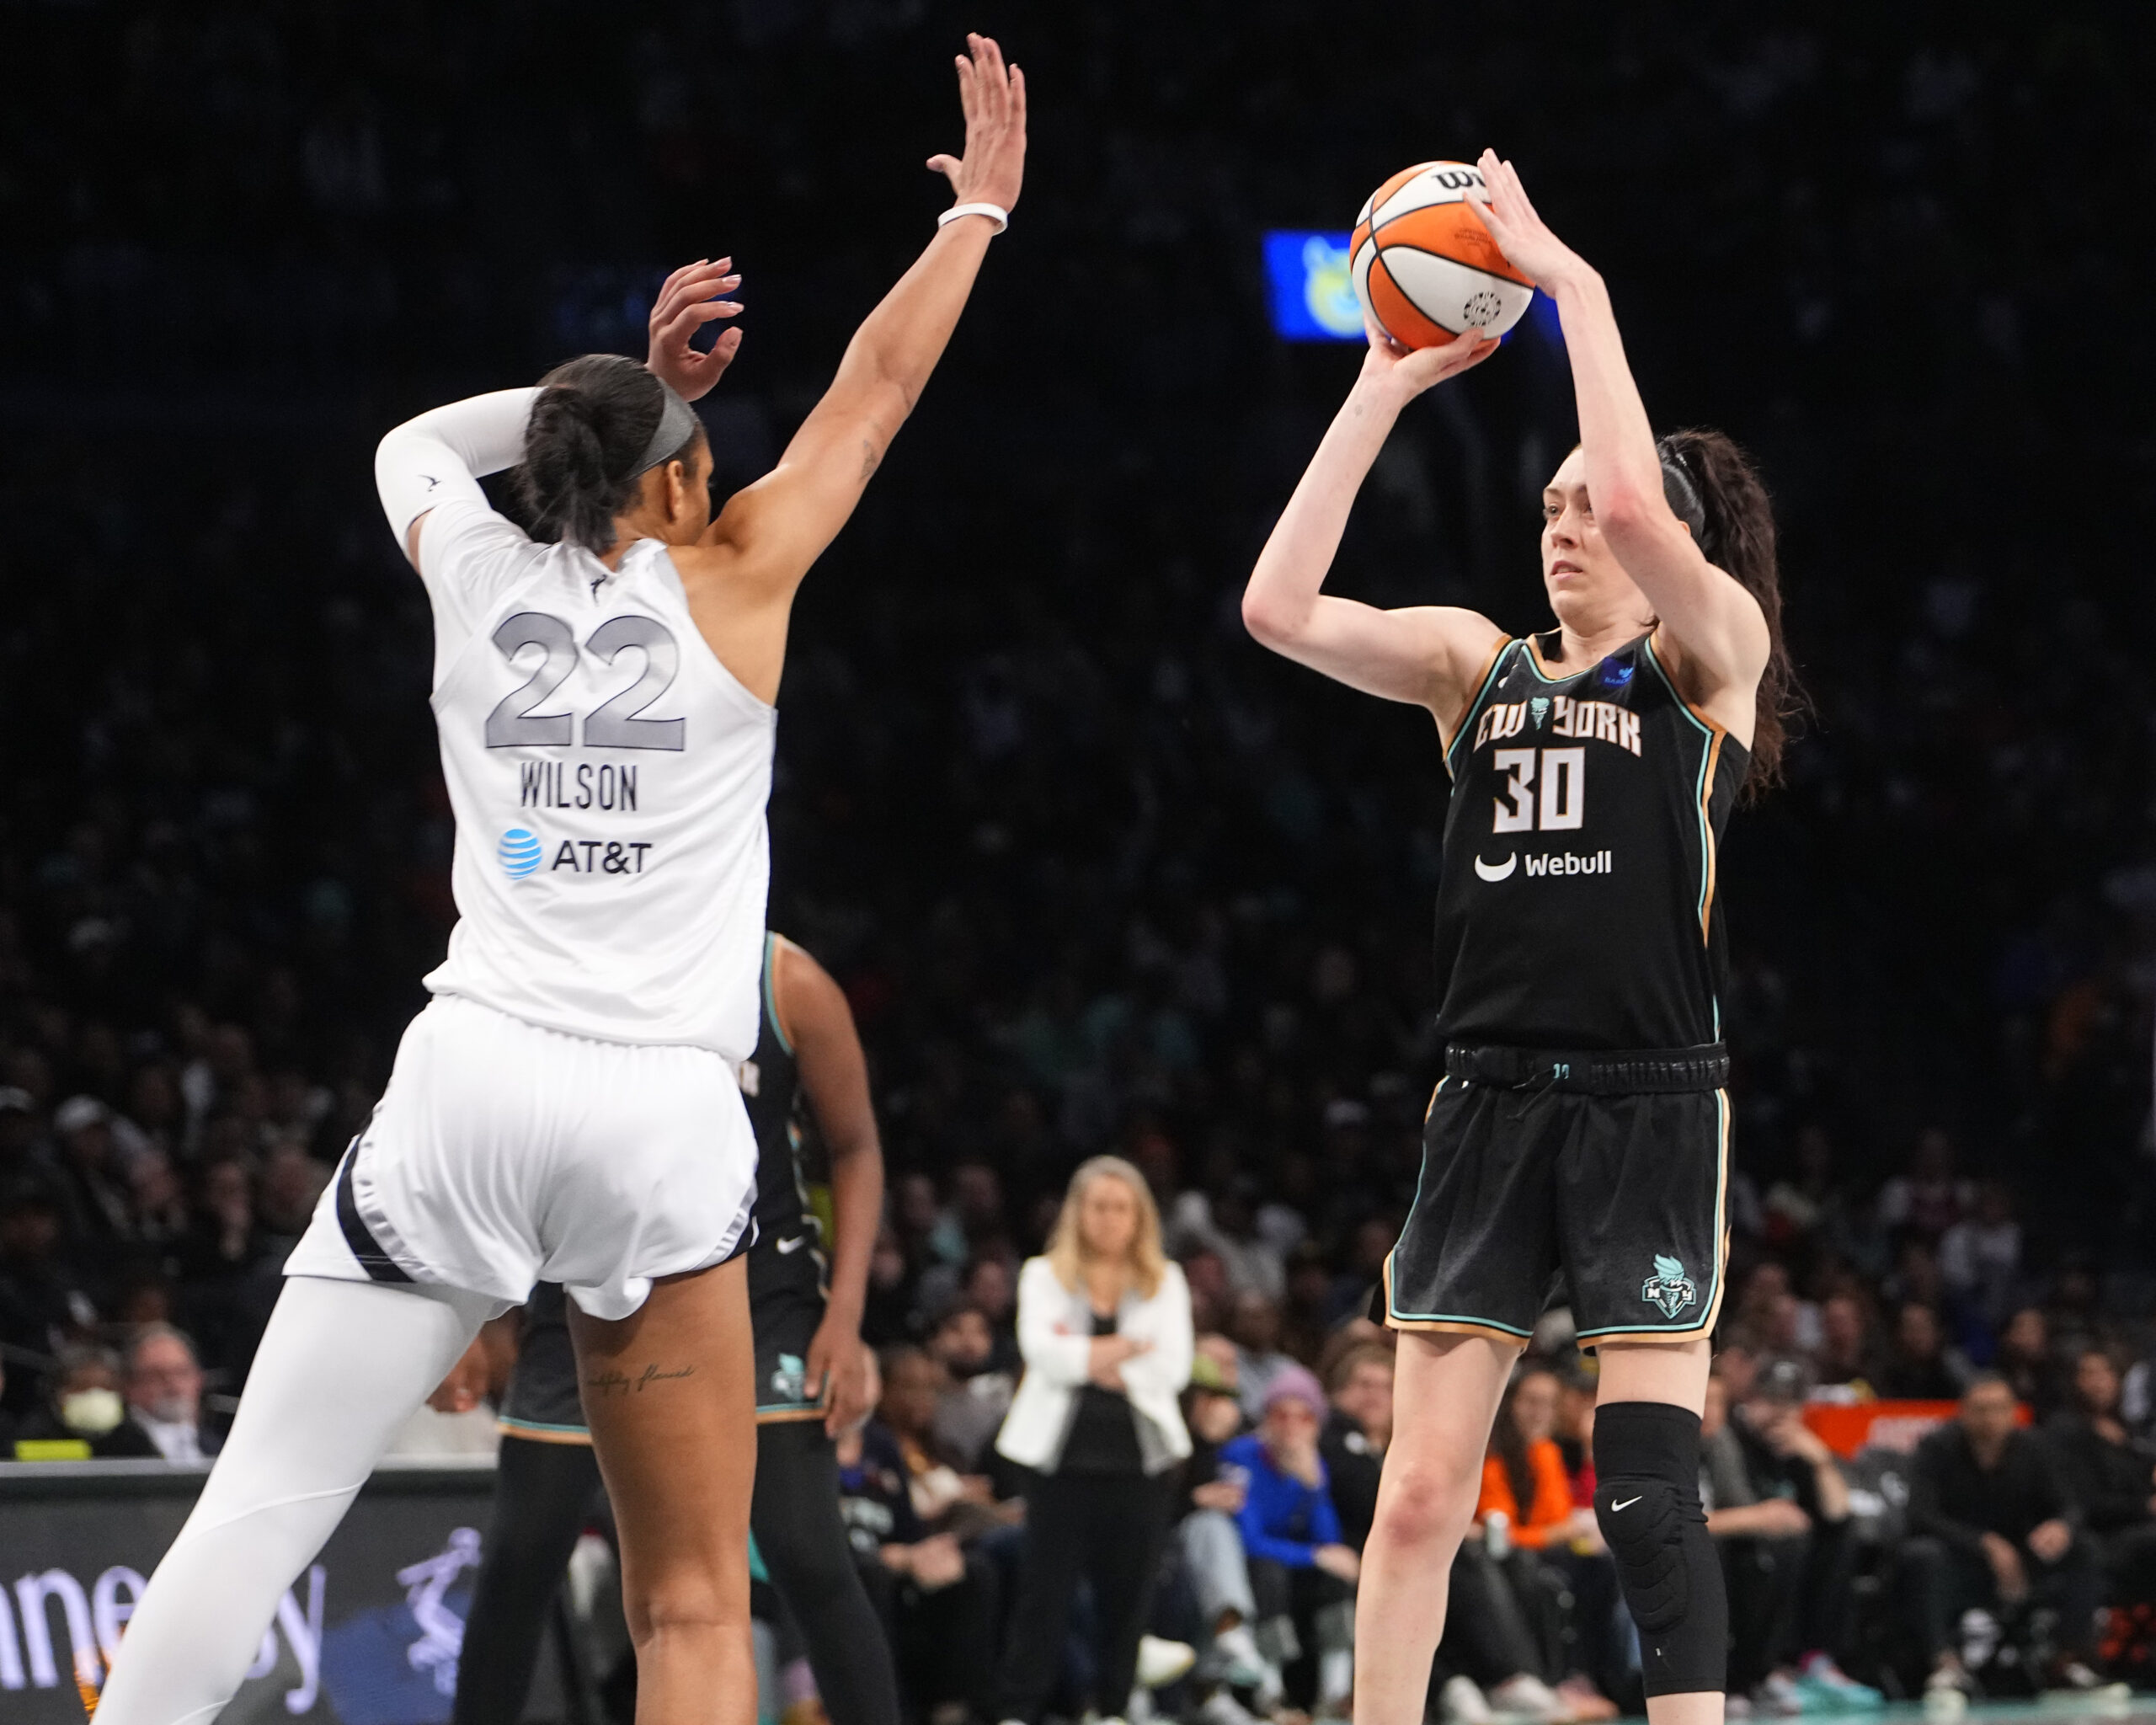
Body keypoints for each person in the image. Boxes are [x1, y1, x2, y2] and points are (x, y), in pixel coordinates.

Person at [92, 38, 1027, 1722]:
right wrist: (971, 215)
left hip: (478, 1077)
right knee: (685, 1608)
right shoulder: (739, 585)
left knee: (251, 1518)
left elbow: (408, 441)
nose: (730, 456)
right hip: (664, 1121)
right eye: (702, 440)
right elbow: (873, 393)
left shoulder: (470, 563)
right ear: (672, 480)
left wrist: (599, 397)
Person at [1241, 149, 1792, 1725]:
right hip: (1487, 1098)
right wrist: (1381, 382)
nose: (1564, 526)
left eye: (1587, 510)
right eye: (1544, 506)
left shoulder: (1711, 662)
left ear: (1664, 547)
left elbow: (1634, 488)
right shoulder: (1471, 666)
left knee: (1641, 1495)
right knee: (1418, 1498)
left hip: (1651, 1097)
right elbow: (1277, 607)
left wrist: (1578, 286)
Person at [452, 932, 896, 1725]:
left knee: (805, 1551)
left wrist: (847, 1317)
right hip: (586, 1286)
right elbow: (494, 1141)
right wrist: (471, 1313)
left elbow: (856, 1145)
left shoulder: (785, 980)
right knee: (521, 1556)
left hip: (761, 1298)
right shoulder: (570, 960)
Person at [994, 1156, 1194, 1725]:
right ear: (1077, 1213)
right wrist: (1127, 1348)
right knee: (1044, 1594)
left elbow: (1173, 1369)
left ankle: (1112, 1709)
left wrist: (1084, 1356)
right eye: (1099, 1207)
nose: (1109, 1219)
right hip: (1058, 1457)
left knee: (1128, 1594)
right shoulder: (1042, 1274)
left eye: (1121, 1208)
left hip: (1140, 1458)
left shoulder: (1166, 1280)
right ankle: (1018, 1710)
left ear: (1139, 1218)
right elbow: (1042, 1354)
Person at [1902, 1373, 2110, 1701]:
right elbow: (1920, 1516)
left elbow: (2070, 1505)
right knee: (1922, 1555)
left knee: (2083, 1549)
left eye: (1999, 1408)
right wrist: (1985, 1544)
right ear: (1963, 1412)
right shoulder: (1936, 1448)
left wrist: (2060, 1526)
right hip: (1960, 1563)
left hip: (2022, 1562)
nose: (1990, 1418)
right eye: (1981, 1409)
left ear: (2013, 1412)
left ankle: (2068, 1661)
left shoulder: (2034, 1448)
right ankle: (1945, 1665)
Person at [1698, 1363, 1876, 1712]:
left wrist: (1820, 1460)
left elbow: (1839, 1513)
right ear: (1749, 1400)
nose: (1780, 1413)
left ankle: (1814, 1659)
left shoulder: (1796, 1447)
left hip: (1772, 1547)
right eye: (1771, 1401)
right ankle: (1769, 1669)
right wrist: (1761, 1519)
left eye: (1790, 1403)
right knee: (1780, 1545)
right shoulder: (1727, 1439)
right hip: (1737, 1548)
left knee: (1839, 1536)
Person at [1223, 1366, 1360, 1716]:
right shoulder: (1241, 1457)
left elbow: (1328, 1541)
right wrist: (1313, 1556)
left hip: (1295, 1573)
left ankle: (1336, 1691)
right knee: (1271, 1572)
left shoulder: (1312, 1464)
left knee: (1337, 1573)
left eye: (1304, 1417)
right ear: (1266, 1418)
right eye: (1281, 1415)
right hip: (1249, 1572)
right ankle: (1270, 1694)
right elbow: (1249, 1541)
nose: (1292, 1426)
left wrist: (1313, 1486)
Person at [2044, 1348, 2156, 1605]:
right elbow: (2081, 1501)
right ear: (2074, 1381)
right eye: (2089, 1374)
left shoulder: (2130, 1431)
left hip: (2140, 1531)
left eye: (2107, 1372)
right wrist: (2145, 1506)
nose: (2099, 1382)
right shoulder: (2064, 1430)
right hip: (2099, 1538)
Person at [122, 1322, 222, 1464]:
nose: (173, 1385)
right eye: (157, 1375)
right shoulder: (112, 1451)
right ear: (131, 1386)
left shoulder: (223, 1447)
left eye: (182, 1372)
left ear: (198, 1379)